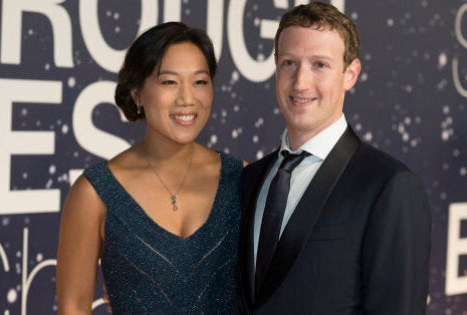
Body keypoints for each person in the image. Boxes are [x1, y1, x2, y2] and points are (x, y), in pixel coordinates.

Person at [238, 2, 431, 314]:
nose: (300, 82)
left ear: (350, 74)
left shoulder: (388, 187)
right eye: (289, 63)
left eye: (320, 65)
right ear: (275, 65)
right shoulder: (251, 179)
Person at [56, 22, 243, 314]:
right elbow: (73, 307)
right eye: (169, 82)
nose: (187, 99)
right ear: (137, 93)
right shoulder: (95, 193)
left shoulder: (243, 179)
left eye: (200, 82)